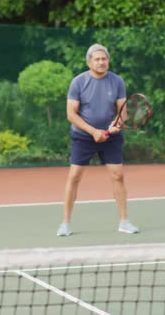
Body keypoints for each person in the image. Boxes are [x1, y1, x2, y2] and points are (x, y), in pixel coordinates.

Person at [57, 44, 139, 236]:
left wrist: (115, 125)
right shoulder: (78, 82)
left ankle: (124, 222)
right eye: (97, 59)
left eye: (104, 59)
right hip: (83, 137)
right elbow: (71, 114)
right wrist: (93, 131)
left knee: (118, 176)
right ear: (89, 62)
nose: (102, 62)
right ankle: (66, 224)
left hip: (111, 138)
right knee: (74, 177)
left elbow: (122, 111)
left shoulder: (117, 81)